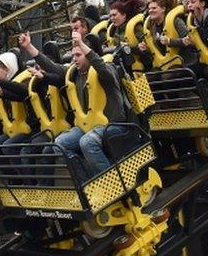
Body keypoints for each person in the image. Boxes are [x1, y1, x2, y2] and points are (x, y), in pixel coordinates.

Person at [19, 30, 137, 179]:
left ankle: (111, 181)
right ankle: (88, 182)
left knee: (87, 142)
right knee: (60, 144)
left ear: (89, 54)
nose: (74, 59)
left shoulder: (107, 69)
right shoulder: (74, 73)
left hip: (114, 125)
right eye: (73, 55)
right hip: (89, 126)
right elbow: (52, 67)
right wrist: (29, 47)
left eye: (78, 55)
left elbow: (100, 66)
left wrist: (81, 43)